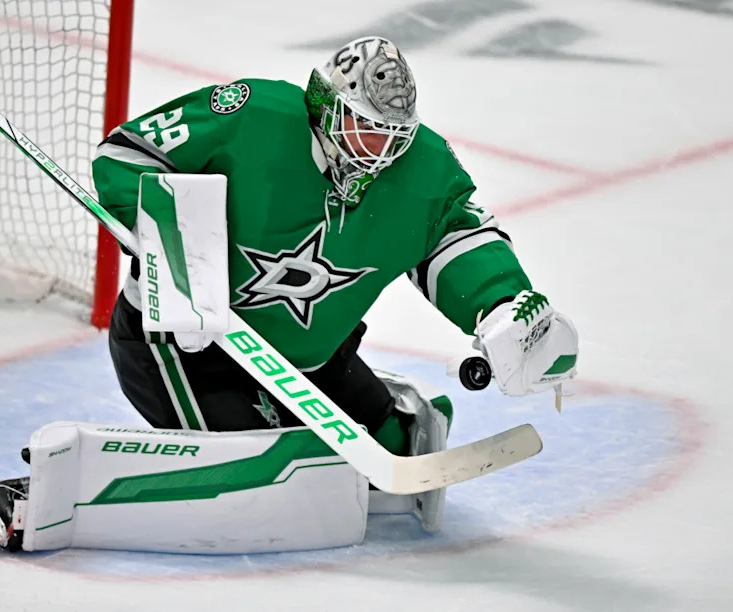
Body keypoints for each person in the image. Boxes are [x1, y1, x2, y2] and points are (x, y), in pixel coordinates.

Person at [91, 36, 579, 455]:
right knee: (269, 463)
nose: (379, 152)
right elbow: (128, 154)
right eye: (364, 128)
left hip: (308, 362)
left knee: (395, 446)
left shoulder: (422, 168)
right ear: (325, 105)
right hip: (183, 350)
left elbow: (456, 237)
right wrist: (176, 260)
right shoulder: (252, 116)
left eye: (393, 136)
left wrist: (502, 307)